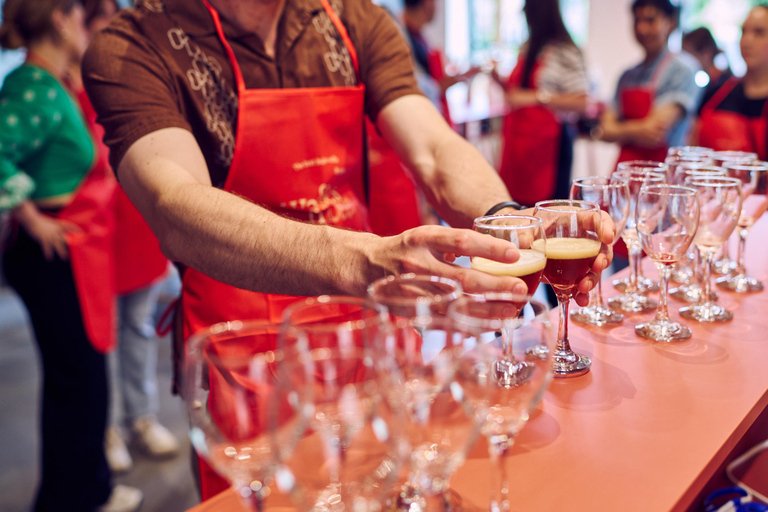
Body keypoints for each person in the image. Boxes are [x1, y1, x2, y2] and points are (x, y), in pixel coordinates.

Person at [81, 0, 614, 499]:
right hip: (244, 350)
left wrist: (507, 223)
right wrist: (366, 261)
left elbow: (432, 149)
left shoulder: (351, 20)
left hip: (368, 337)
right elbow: (175, 206)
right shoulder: (136, 44)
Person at [0, 0, 141, 510]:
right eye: (84, 18)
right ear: (61, 18)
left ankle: (88, 489)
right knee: (75, 383)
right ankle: (71, 500)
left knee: (82, 380)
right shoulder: (28, 86)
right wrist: (30, 216)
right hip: (49, 253)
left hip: (72, 248)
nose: (90, 29)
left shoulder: (52, 81)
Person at [78, 0, 181, 475]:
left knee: (137, 329)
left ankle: (138, 417)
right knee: (102, 339)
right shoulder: (70, 86)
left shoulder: (142, 79)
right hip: (94, 233)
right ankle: (105, 428)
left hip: (136, 228)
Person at [492, 0, 590, 206]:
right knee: (515, 209)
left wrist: (535, 97)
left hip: (549, 149)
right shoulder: (529, 46)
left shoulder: (564, 50)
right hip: (519, 146)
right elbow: (517, 96)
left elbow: (582, 102)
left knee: (547, 214)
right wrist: (499, 81)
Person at [594, 0, 701, 165]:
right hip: (626, 172)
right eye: (638, 20)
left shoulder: (683, 69)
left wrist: (620, 129)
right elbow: (604, 131)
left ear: (670, 23)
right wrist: (637, 130)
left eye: (650, 20)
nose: (642, 28)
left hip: (663, 174)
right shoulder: (627, 75)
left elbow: (655, 131)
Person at [691, 6, 768, 160]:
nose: (747, 40)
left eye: (759, 32)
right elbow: (692, 148)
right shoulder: (715, 93)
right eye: (743, 31)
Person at [682, 27, 732, 105]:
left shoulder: (726, 85)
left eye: (688, 56)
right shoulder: (693, 82)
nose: (684, 61)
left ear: (706, 54)